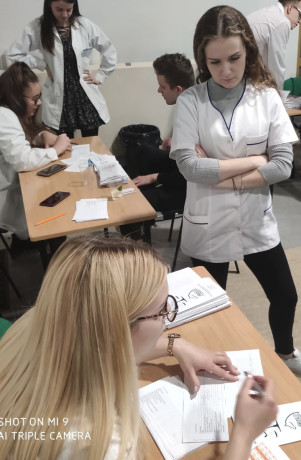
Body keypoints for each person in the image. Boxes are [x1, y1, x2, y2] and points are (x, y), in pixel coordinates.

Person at [0, 234, 277, 460]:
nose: (167, 320)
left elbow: (100, 344)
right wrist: (244, 434)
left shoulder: (41, 322)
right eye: (162, 311)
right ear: (121, 330)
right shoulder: (102, 444)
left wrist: (174, 345)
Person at [170, 5, 301, 380]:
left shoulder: (266, 97)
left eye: (234, 58)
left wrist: (221, 175)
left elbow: (283, 166)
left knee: (285, 294)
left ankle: (285, 353)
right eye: (215, 62)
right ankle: (211, 366)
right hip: (208, 222)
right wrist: (256, 160)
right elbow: (189, 167)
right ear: (203, 59)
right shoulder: (191, 101)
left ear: (248, 52)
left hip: (256, 218)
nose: (226, 70)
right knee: (209, 306)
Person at [8, 0, 117, 138]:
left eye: (69, 10)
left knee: (91, 142)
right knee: (65, 144)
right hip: (60, 97)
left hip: (84, 96)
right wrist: (42, 64)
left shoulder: (84, 25)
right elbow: (14, 53)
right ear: (49, 5)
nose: (65, 14)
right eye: (59, 9)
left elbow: (109, 49)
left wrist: (101, 75)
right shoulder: (38, 27)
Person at [120, 53, 192, 241]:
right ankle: (144, 215)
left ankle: (138, 242)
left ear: (178, 90)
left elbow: (187, 174)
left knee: (128, 203)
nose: (159, 90)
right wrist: (174, 142)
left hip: (189, 186)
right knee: (143, 150)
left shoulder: (194, 116)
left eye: (163, 87)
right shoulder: (186, 104)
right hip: (180, 168)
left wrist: (154, 177)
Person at [0, 62, 70, 245]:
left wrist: (41, 136)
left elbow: (19, 140)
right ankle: (50, 254)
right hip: (6, 198)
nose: (39, 103)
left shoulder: (8, 113)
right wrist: (55, 150)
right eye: (35, 99)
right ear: (16, 98)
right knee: (55, 217)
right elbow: (21, 160)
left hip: (16, 186)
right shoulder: (3, 115)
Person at [247, 0, 301, 90]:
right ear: (290, 8)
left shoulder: (269, 12)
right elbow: (277, 67)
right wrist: (278, 94)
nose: (299, 21)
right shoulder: (282, 22)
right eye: (300, 15)